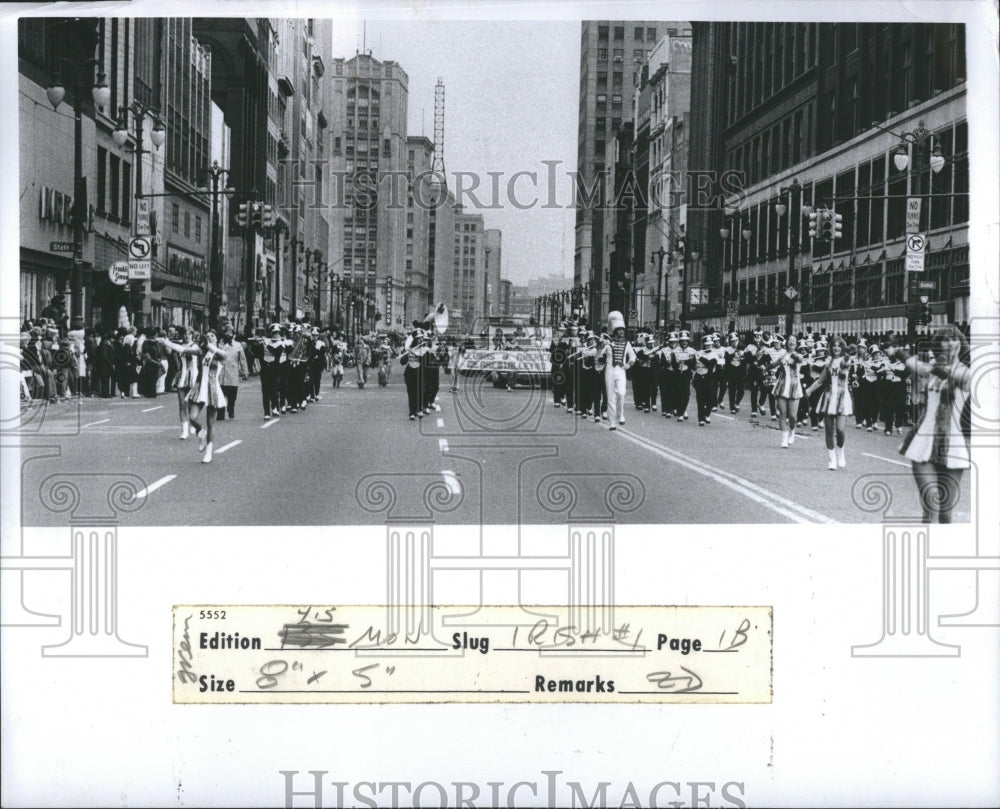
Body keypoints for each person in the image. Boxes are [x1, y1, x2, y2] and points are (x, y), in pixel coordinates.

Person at [897, 326, 970, 523]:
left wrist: (932, 367)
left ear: (960, 344)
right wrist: (898, 352)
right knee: (931, 503)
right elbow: (915, 365)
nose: (949, 343)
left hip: (953, 444)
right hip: (923, 442)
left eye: (953, 339)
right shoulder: (931, 370)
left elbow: (956, 376)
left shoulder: (967, 373)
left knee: (946, 514)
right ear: (939, 344)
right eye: (944, 340)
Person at [159, 330, 233, 463]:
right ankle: (201, 433)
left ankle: (209, 452)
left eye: (212, 336)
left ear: (217, 339)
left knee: (211, 422)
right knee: (193, 417)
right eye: (208, 335)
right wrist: (167, 342)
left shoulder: (221, 354)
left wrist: (208, 344)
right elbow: (182, 349)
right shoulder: (200, 352)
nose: (210, 337)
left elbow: (221, 353)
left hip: (213, 388)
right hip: (199, 387)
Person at [806, 336, 853, 470]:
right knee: (829, 430)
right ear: (831, 348)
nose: (836, 348)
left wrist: (849, 353)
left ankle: (841, 452)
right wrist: (809, 390)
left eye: (839, 345)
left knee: (840, 429)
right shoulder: (828, 363)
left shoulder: (846, 360)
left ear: (842, 347)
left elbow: (846, 363)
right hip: (828, 397)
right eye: (834, 345)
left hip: (842, 397)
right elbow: (820, 380)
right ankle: (831, 459)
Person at [159, 327, 200, 439]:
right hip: (182, 377)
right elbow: (173, 351)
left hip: (193, 377)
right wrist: (165, 343)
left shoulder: (195, 346)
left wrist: (167, 341)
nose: (186, 336)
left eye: (189, 334)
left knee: (192, 404)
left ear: (192, 335)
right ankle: (184, 430)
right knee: (182, 405)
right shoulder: (181, 345)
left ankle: (193, 423)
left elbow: (180, 350)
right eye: (185, 334)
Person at [602, 311, 635, 430]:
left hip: (621, 370)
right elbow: (599, 356)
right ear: (615, 331)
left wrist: (628, 365)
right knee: (610, 396)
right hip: (610, 370)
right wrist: (602, 345)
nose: (621, 332)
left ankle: (620, 414)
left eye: (622, 330)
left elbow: (633, 357)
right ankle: (611, 422)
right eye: (619, 330)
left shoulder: (627, 343)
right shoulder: (608, 342)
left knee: (621, 393)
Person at [771, 334, 805, 448]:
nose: (791, 342)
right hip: (782, 385)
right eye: (790, 340)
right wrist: (765, 368)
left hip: (794, 386)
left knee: (793, 416)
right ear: (786, 343)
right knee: (783, 413)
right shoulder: (783, 355)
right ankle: (784, 439)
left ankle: (792, 431)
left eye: (794, 340)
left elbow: (799, 359)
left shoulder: (799, 355)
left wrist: (794, 356)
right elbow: (774, 364)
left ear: (796, 343)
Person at [216, 328, 249, 421]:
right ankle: (220, 414)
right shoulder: (219, 344)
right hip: (221, 372)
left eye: (230, 332)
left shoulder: (238, 345)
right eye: (226, 332)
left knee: (232, 395)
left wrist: (245, 371)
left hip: (233, 373)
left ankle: (231, 409)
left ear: (233, 335)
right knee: (220, 394)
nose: (228, 334)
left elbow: (242, 359)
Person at [693, 334, 720, 426]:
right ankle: (701, 419)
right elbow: (693, 364)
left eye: (710, 344)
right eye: (707, 344)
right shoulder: (698, 352)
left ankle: (707, 413)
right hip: (699, 377)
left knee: (712, 399)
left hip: (709, 377)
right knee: (700, 399)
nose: (709, 346)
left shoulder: (714, 355)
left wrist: (700, 358)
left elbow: (710, 365)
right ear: (704, 344)